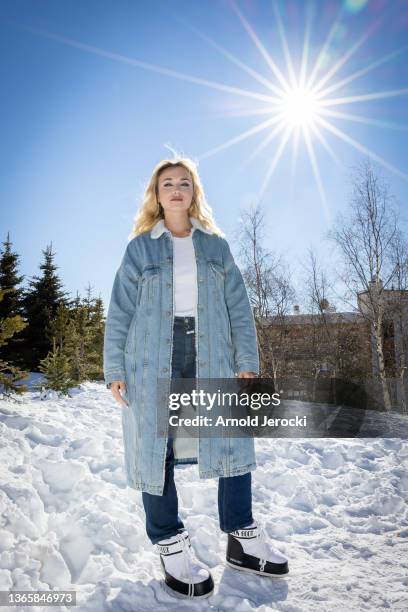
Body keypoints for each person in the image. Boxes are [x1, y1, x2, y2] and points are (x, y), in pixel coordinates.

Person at [103, 158, 289, 599]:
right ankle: (169, 540)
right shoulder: (140, 249)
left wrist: (247, 359)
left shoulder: (215, 246)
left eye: (184, 182)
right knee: (157, 445)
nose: (176, 189)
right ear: (156, 193)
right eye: (167, 183)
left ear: (194, 192)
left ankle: (242, 536)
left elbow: (239, 307)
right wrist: (114, 369)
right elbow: (120, 313)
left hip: (213, 351)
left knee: (232, 437)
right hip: (152, 356)